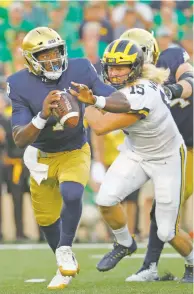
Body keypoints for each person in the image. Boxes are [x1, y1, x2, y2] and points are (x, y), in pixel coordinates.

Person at [7, 27, 131, 290]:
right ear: (31, 59)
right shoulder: (18, 83)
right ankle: (61, 260)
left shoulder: (81, 68)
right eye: (44, 54)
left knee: (72, 193)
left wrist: (95, 99)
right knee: (46, 220)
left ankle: (65, 247)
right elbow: (19, 138)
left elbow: (118, 99)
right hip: (39, 156)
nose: (53, 59)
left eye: (56, 51)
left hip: (74, 149)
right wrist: (42, 115)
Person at [70, 39, 189, 274]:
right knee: (105, 199)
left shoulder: (144, 92)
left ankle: (193, 261)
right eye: (111, 67)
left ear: (134, 67)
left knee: (167, 232)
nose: (113, 73)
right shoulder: (122, 87)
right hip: (136, 153)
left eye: (120, 67)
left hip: (167, 158)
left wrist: (88, 103)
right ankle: (124, 242)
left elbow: (102, 125)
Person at [119, 28, 193, 283]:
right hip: (167, 150)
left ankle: (154, 266)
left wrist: (173, 90)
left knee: (164, 212)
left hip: (189, 147)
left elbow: (188, 77)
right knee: (161, 210)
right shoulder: (131, 81)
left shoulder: (171, 58)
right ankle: (150, 266)